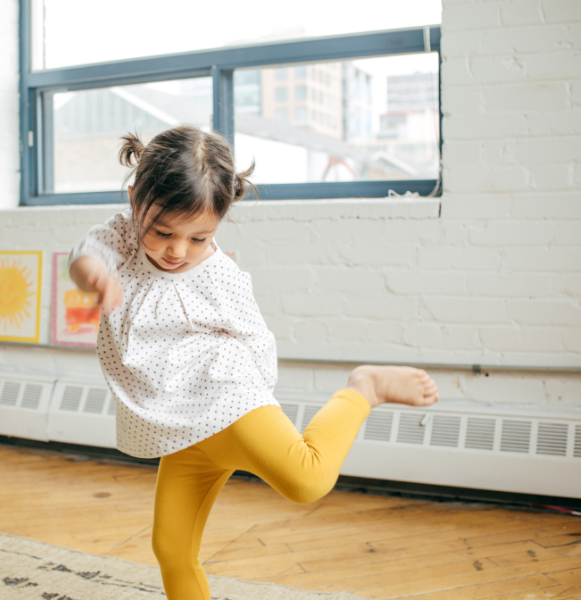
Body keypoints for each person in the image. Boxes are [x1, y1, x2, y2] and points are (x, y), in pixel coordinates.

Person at [68, 126, 439, 600]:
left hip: (228, 401)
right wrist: (92, 275)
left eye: (199, 237)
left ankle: (363, 388)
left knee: (307, 480)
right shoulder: (120, 236)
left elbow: (255, 340)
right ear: (134, 201)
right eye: (162, 232)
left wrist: (259, 404)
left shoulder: (220, 275)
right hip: (177, 427)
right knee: (172, 549)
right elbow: (85, 255)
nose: (177, 250)